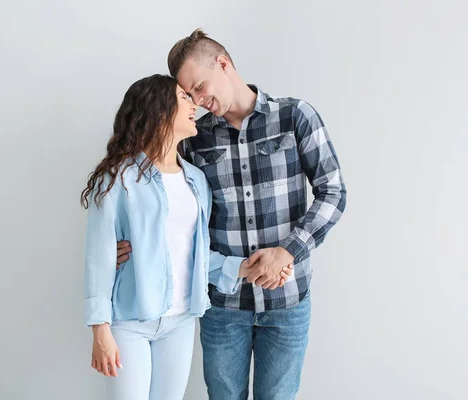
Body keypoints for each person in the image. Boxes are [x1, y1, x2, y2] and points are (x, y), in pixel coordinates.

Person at [117, 30, 347, 400]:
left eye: (200, 86)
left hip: (287, 302)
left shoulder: (295, 117)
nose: (199, 101)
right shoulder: (193, 137)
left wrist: (287, 251)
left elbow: (333, 192)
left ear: (223, 63)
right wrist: (119, 242)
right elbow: (165, 208)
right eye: (190, 95)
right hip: (223, 306)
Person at [81, 74, 292, 400]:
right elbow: (100, 257)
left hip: (180, 322)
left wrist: (248, 268)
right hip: (129, 322)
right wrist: (100, 330)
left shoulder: (195, 180)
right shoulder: (117, 180)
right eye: (184, 98)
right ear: (159, 109)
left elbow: (197, 255)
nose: (195, 104)